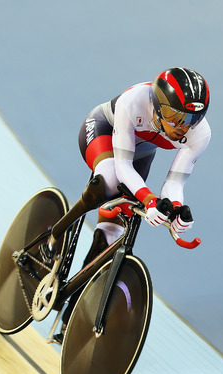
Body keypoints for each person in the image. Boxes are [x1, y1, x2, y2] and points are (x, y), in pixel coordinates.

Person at [54, 67, 211, 343]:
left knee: (113, 231)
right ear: (157, 106)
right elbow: (123, 166)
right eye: (176, 118)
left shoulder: (200, 134)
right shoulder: (133, 101)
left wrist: (175, 210)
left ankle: (72, 314)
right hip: (104, 132)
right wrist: (149, 199)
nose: (182, 128)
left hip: (139, 155)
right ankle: (57, 231)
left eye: (192, 120)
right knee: (110, 182)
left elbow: (175, 183)